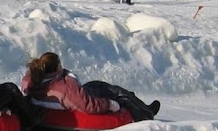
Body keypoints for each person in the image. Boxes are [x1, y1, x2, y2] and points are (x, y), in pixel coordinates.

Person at [21, 52, 159, 122]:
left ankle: (138, 101)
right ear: (56, 67)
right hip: (79, 98)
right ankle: (147, 114)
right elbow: (87, 105)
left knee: (97, 84)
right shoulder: (63, 88)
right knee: (119, 94)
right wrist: (110, 104)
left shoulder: (32, 80)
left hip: (76, 92)